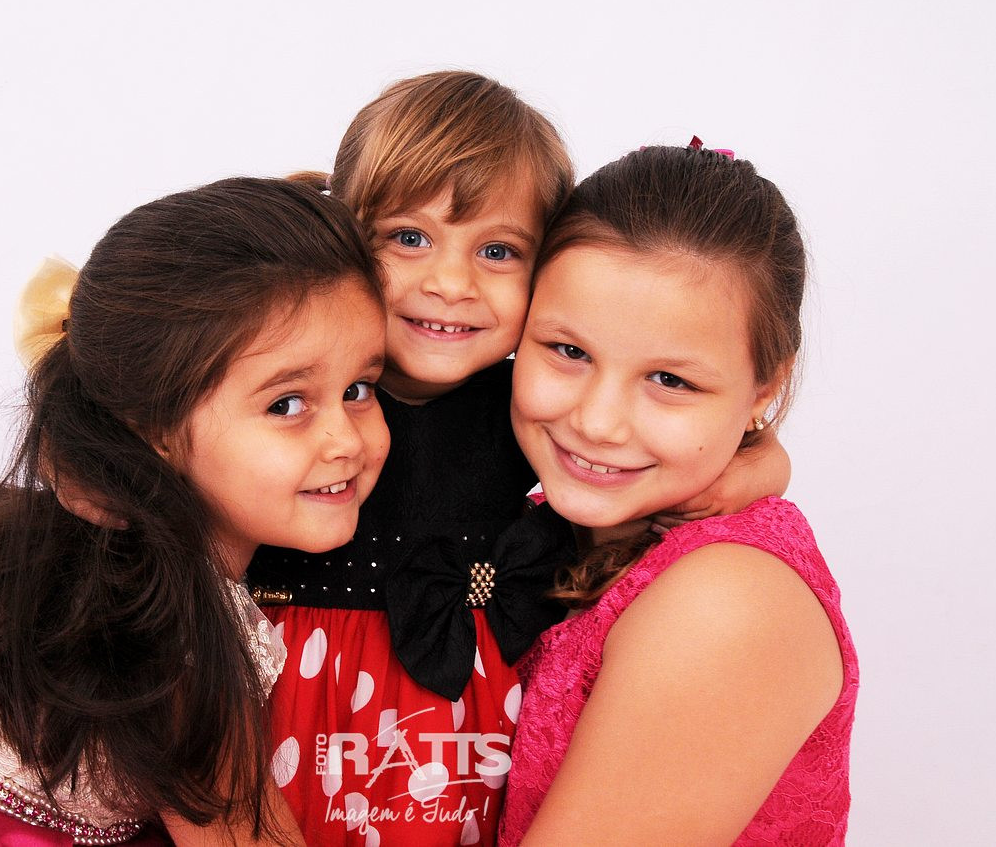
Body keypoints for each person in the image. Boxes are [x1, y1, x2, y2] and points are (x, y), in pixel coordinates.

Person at [244, 74, 792, 845]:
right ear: (342, 236)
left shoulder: (525, 399)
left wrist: (758, 462)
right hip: (290, 687)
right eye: (408, 238)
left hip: (462, 713)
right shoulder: (287, 373)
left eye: (497, 251)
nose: (449, 284)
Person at [0, 178, 390, 846]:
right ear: (153, 429)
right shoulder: (180, 643)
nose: (345, 440)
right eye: (286, 404)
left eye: (360, 389)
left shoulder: (109, 552)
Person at [500, 143, 858, 845]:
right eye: (569, 352)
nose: (597, 422)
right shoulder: (526, 528)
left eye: (670, 381)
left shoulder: (726, 602)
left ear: (764, 389)